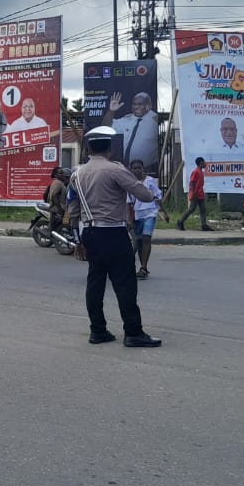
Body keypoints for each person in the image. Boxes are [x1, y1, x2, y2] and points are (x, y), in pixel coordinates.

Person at [67, 126, 160, 347]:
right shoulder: (116, 170)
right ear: (109, 149)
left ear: (89, 149)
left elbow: (73, 210)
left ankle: (97, 331)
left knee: (95, 282)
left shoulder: (76, 174)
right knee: (125, 284)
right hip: (114, 232)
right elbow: (146, 195)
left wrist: (78, 240)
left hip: (89, 232)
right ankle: (133, 332)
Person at [101, 91, 159, 169]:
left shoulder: (155, 120)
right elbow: (105, 127)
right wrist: (111, 111)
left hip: (148, 169)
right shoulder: (127, 119)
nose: (136, 107)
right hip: (127, 168)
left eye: (140, 104)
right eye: (134, 104)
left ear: (148, 105)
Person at [127, 159, 162, 279]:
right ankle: (142, 267)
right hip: (137, 215)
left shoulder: (150, 181)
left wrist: (164, 212)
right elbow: (128, 203)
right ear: (131, 170)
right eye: (134, 168)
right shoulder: (130, 184)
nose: (137, 170)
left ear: (143, 169)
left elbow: (157, 197)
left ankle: (144, 267)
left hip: (150, 213)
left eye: (139, 168)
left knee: (147, 238)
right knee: (139, 241)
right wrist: (129, 219)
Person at [177, 157, 212, 231]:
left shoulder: (201, 172)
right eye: (204, 162)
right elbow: (192, 182)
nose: (205, 163)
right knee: (191, 209)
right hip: (195, 194)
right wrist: (193, 192)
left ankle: (204, 225)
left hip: (200, 194)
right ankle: (180, 221)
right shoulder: (195, 172)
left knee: (203, 209)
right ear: (200, 163)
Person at [44, 167, 68, 238]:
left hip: (59, 208)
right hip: (57, 208)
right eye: (61, 173)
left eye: (63, 172)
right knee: (56, 225)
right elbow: (54, 196)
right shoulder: (57, 183)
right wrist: (59, 209)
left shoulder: (60, 182)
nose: (63, 174)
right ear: (55, 175)